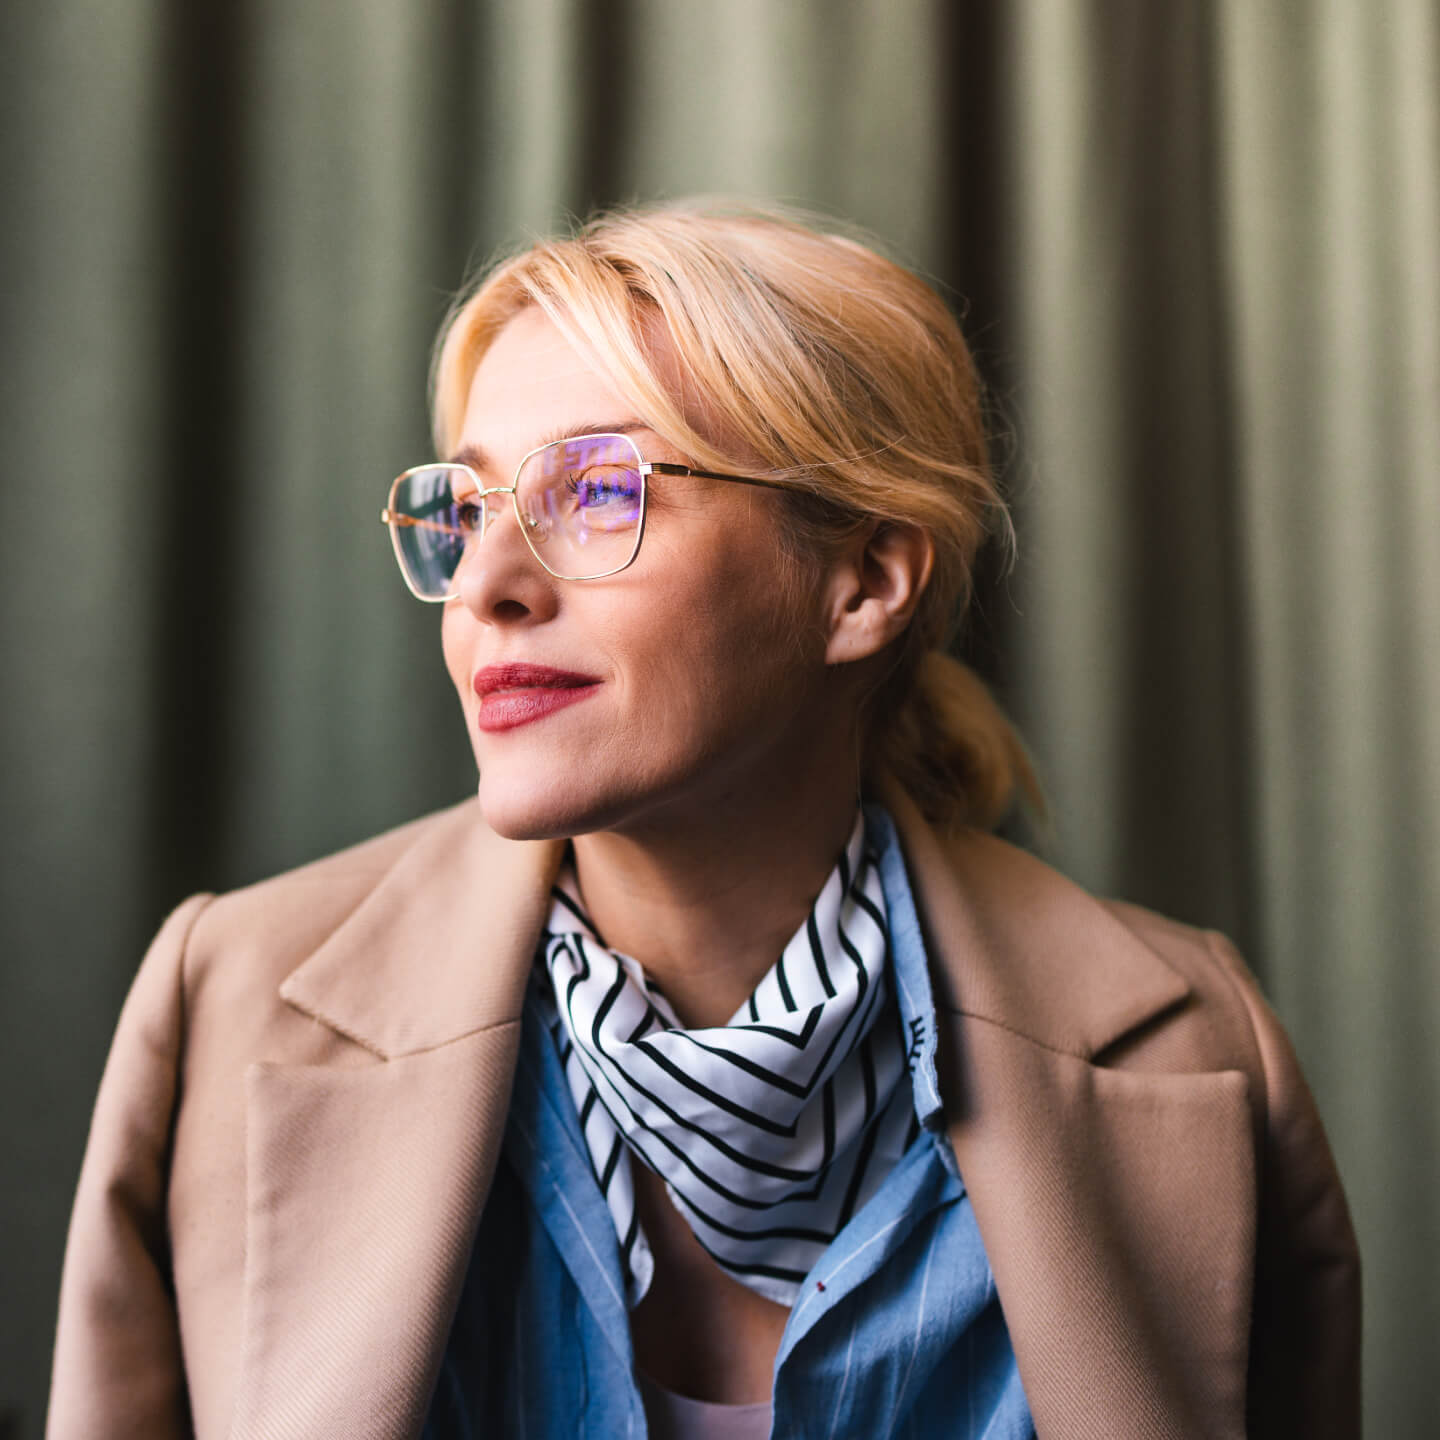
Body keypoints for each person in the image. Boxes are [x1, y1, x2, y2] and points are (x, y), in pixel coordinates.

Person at [47, 202, 1360, 1440]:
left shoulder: (1203, 1046)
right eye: (470, 505)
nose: (489, 586)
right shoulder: (221, 1004)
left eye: (601, 493)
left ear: (864, 583)